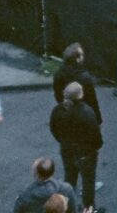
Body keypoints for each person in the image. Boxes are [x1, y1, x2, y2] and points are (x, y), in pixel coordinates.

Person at [49, 80, 103, 213]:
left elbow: (53, 129)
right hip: (85, 152)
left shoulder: (58, 110)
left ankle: (67, 207)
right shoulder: (86, 112)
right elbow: (95, 135)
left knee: (70, 178)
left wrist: (62, 141)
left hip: (66, 149)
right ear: (80, 95)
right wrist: (96, 147)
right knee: (88, 181)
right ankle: (88, 208)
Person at [52, 43, 103, 127]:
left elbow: (58, 96)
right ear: (76, 59)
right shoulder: (84, 77)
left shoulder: (58, 74)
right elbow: (92, 100)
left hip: (67, 114)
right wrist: (98, 119)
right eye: (81, 55)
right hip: (84, 116)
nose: (83, 57)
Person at [12, 157, 79, 213]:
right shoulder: (67, 189)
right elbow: (73, 210)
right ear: (53, 171)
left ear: (36, 174)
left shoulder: (24, 196)